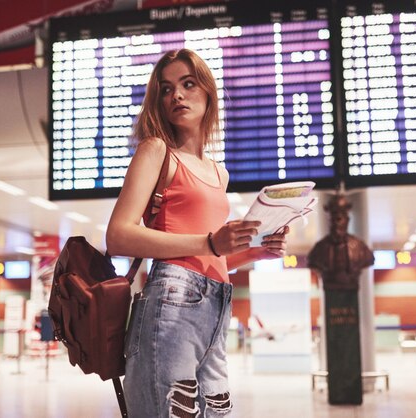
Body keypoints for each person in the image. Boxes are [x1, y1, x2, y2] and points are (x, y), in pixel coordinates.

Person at [106, 49, 289, 418]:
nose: (177, 95)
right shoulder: (156, 150)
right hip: (171, 305)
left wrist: (255, 252)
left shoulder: (219, 173)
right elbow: (118, 236)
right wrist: (209, 242)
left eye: (188, 84)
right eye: (166, 89)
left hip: (217, 304)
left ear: (208, 93)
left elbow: (208, 259)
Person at [307, 194, 374, 291]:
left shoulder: (360, 248)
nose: (337, 221)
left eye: (341, 217)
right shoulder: (319, 249)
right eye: (334, 217)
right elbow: (312, 262)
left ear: (347, 220)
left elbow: (369, 260)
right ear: (329, 220)